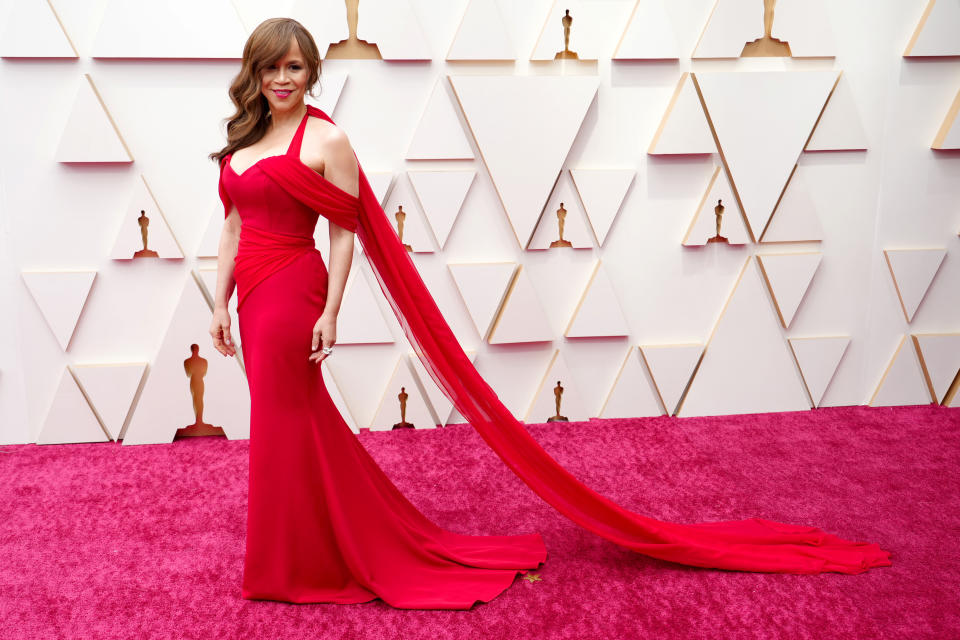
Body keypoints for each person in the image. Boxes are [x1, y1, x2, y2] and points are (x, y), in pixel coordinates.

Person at [208, 18, 891, 610]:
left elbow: (344, 235)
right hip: (252, 296)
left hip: (296, 290)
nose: (282, 78)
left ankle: (297, 561)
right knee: (294, 423)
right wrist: (218, 303)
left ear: (311, 72)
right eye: (271, 68)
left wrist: (332, 312)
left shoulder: (328, 143)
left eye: (294, 66)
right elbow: (233, 229)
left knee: (288, 420)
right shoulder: (242, 142)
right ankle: (308, 549)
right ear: (255, 73)